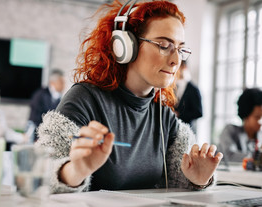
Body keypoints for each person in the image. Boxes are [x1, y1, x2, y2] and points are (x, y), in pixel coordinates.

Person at [37, 0, 223, 193]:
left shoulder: (164, 117)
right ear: (125, 46)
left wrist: (198, 181)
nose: (176, 60)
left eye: (180, 49)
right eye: (163, 45)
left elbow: (179, 185)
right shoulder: (85, 99)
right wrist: (75, 171)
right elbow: (42, 173)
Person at [218, 88, 262, 164]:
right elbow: (230, 155)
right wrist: (260, 158)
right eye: (257, 117)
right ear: (246, 116)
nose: (261, 121)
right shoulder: (230, 131)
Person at [28, 69, 65, 139]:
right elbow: (34, 119)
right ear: (52, 83)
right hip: (37, 135)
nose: (64, 85)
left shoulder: (60, 99)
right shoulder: (39, 95)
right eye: (61, 82)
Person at [174, 61, 203, 133]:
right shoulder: (173, 87)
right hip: (173, 129)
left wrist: (179, 114)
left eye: (178, 67)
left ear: (184, 67)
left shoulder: (193, 89)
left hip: (187, 130)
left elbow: (199, 112)